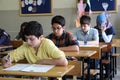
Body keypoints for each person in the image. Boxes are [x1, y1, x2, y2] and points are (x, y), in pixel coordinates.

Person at [2, 21, 68, 68]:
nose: (28, 42)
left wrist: (43, 61)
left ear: (41, 37)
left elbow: (64, 61)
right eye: (26, 38)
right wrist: (5, 61)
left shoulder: (47, 43)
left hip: (51, 77)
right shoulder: (26, 46)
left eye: (31, 39)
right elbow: (7, 58)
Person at [94, 13, 116, 78]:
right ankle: (94, 75)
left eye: (102, 24)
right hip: (98, 50)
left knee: (107, 62)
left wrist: (103, 32)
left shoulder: (110, 28)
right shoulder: (95, 29)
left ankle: (107, 75)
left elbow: (107, 41)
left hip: (107, 50)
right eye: (99, 24)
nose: (100, 26)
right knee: (94, 60)